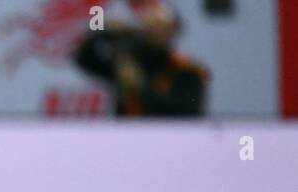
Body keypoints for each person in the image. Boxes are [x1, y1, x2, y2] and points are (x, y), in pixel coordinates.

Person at [74, 1, 210, 116]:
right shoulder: (132, 62)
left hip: (167, 139)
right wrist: (106, 31)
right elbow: (85, 60)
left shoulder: (185, 69)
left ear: (173, 30)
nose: (153, 30)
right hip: (126, 138)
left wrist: (139, 87)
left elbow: (186, 114)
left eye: (160, 25)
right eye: (148, 25)